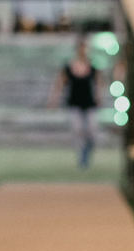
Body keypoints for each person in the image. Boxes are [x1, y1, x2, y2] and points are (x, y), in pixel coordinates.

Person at [49, 38, 100, 168]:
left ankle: (88, 151)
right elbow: (60, 83)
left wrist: (98, 96)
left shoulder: (92, 66)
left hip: (89, 103)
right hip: (74, 103)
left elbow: (98, 83)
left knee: (92, 130)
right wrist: (54, 99)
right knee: (77, 130)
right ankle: (82, 156)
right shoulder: (69, 67)